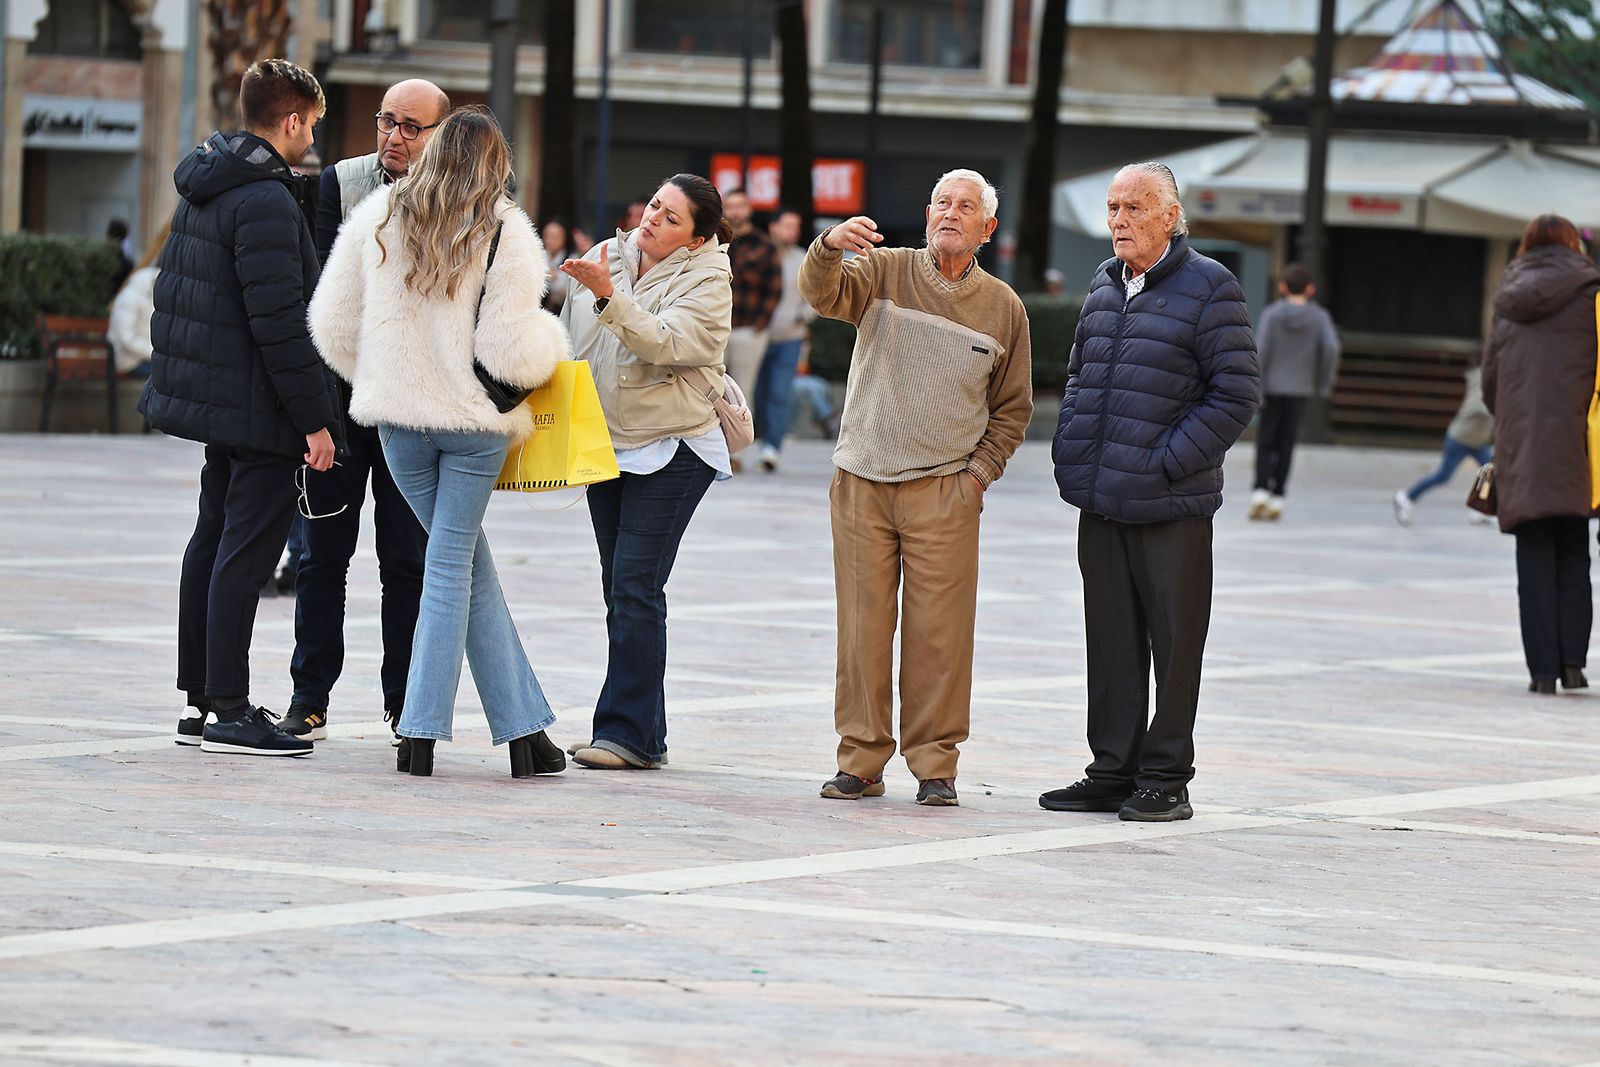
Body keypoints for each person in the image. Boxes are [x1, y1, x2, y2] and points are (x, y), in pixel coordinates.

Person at [308, 106, 570, 777]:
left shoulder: (380, 214)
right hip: (473, 426)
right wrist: (554, 341)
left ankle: (526, 732)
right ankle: (419, 731)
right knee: (453, 567)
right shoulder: (504, 228)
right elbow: (513, 352)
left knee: (466, 565)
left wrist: (384, 376)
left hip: (400, 424)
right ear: (495, 163)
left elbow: (330, 324)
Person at [801, 169, 1033, 808]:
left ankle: (936, 765)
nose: (951, 213)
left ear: (987, 228)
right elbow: (822, 294)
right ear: (927, 214)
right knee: (861, 630)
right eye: (941, 203)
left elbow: (1013, 408)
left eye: (966, 206)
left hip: (945, 490)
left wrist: (978, 475)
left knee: (941, 636)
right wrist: (828, 247)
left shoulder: (1004, 308)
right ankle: (860, 761)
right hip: (863, 479)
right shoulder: (885, 271)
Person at [139, 58, 344, 757]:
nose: (311, 138)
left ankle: (201, 700)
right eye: (311, 125)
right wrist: (315, 418)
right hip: (259, 407)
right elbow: (280, 322)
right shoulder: (263, 199)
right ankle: (229, 709)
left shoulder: (208, 182)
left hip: (220, 400)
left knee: (212, 538)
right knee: (244, 552)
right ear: (291, 119)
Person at [1041, 162, 1259, 822]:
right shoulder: (1104, 284)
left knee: (1175, 644)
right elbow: (1078, 374)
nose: (1119, 220)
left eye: (1134, 208)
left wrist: (1168, 462)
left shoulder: (1211, 286)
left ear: (1169, 216)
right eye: (1113, 208)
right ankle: (1113, 770)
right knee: (1110, 641)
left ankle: (1166, 777)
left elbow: (1236, 395)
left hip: (1170, 505)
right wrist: (1072, 443)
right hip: (1101, 497)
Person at [275, 77, 451, 744]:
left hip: (416, 408)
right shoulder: (342, 182)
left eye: (411, 127)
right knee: (322, 555)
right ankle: (309, 696)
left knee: (407, 562)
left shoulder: (463, 195)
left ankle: (406, 704)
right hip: (343, 402)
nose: (393, 137)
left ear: (440, 135)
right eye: (386, 121)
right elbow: (328, 289)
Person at [557, 174, 734, 770]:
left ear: (696, 239)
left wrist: (609, 297)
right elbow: (573, 343)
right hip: (607, 441)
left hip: (675, 445)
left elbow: (668, 343)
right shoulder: (606, 255)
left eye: (671, 218)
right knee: (620, 587)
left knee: (636, 584)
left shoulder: (709, 280)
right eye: (655, 205)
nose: (653, 218)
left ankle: (626, 734)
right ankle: (640, 731)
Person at [1479, 214, 1598, 695]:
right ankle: (1573, 664)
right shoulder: (1591, 294)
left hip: (1522, 444)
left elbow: (1490, 382)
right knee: (1574, 551)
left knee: (1532, 556)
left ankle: (1542, 672)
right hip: (1578, 445)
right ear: (1574, 245)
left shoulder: (1507, 299)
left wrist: (1514, 417)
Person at [1249, 261, 1339, 521]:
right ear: (1310, 289)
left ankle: (1260, 491)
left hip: (1271, 387)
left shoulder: (1272, 315)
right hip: (1300, 388)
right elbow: (1331, 348)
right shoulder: (1319, 317)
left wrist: (1257, 384)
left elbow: (1261, 350)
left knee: (1266, 440)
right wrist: (1323, 381)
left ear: (1283, 287)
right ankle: (1279, 496)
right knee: (1287, 442)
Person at [751, 205, 816, 472]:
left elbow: (816, 294)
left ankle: (772, 448)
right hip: (757, 335)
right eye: (788, 226)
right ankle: (755, 439)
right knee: (755, 392)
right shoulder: (759, 255)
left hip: (790, 337)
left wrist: (802, 317)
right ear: (773, 228)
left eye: (796, 227)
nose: (793, 232)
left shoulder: (804, 259)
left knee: (779, 392)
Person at [722, 188, 782, 467]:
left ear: (749, 210)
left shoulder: (764, 245)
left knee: (742, 391)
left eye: (740, 206)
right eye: (730, 206)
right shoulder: (714, 239)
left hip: (749, 328)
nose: (735, 211)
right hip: (715, 327)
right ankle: (710, 449)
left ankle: (736, 454)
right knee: (708, 388)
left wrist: (760, 325)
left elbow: (774, 289)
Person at [1392, 366, 1494, 526]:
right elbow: (1477, 408)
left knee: (1489, 471)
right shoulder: (1483, 380)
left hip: (1477, 440)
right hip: (1461, 438)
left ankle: (1478, 510)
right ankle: (1406, 497)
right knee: (1443, 475)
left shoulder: (1494, 380)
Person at [107, 221, 171, 378]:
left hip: (146, 358)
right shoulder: (131, 296)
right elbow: (126, 338)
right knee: (170, 377)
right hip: (129, 361)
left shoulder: (150, 293)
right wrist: (156, 352)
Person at [540, 218, 576, 313]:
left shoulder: (571, 258)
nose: (550, 240)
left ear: (564, 238)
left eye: (555, 237)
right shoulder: (538, 255)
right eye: (547, 235)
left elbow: (565, 289)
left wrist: (553, 275)